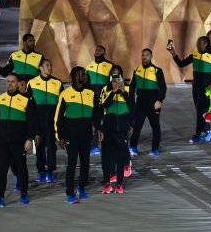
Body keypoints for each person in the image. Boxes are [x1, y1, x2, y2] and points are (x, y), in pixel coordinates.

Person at [54, 66, 102, 204]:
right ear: (74, 77)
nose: (84, 76)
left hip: (86, 135)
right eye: (81, 74)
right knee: (72, 163)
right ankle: (70, 193)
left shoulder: (91, 93)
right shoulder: (65, 94)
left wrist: (98, 128)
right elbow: (58, 118)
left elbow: (96, 115)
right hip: (70, 135)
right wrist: (60, 136)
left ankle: (81, 188)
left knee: (86, 163)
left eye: (85, 74)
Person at [0, 73, 36, 207]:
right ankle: (0, 197)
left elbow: (31, 122)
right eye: (8, 81)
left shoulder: (26, 100)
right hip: (3, 142)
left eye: (13, 81)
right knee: (2, 170)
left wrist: (29, 139)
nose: (10, 83)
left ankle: (24, 193)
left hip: (19, 142)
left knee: (21, 167)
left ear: (17, 83)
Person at [168, 36, 211, 144]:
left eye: (200, 43)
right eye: (197, 42)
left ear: (206, 44)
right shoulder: (194, 55)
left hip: (206, 89)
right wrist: (173, 53)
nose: (197, 44)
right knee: (200, 110)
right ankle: (208, 131)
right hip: (196, 87)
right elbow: (181, 64)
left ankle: (199, 133)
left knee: (202, 110)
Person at [27, 59, 64, 183]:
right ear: (40, 68)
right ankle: (41, 171)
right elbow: (29, 106)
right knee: (40, 147)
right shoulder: (32, 83)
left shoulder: (58, 83)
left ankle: (50, 172)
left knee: (51, 147)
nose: (50, 67)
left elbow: (62, 105)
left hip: (52, 123)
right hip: (38, 123)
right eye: (47, 65)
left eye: (51, 65)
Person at [100, 65, 134, 194]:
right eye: (113, 76)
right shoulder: (105, 89)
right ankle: (107, 183)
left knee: (120, 156)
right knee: (107, 157)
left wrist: (132, 124)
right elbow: (104, 105)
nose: (116, 79)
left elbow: (132, 106)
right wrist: (113, 92)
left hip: (122, 129)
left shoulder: (128, 89)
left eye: (118, 75)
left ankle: (119, 184)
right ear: (110, 77)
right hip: (108, 128)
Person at [129, 48, 167, 156]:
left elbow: (163, 87)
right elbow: (132, 87)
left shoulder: (157, 70)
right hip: (140, 102)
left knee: (155, 125)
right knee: (136, 126)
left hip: (153, 103)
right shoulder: (137, 70)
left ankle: (155, 149)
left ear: (151, 57)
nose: (144, 57)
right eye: (143, 55)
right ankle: (133, 147)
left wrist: (160, 100)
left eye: (147, 55)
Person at [85, 45, 114, 156]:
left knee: (106, 121)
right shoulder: (89, 66)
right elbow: (86, 83)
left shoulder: (110, 66)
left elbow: (113, 83)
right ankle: (94, 146)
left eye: (100, 50)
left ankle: (108, 144)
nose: (97, 51)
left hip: (105, 98)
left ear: (104, 52)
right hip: (92, 98)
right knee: (94, 122)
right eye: (96, 49)